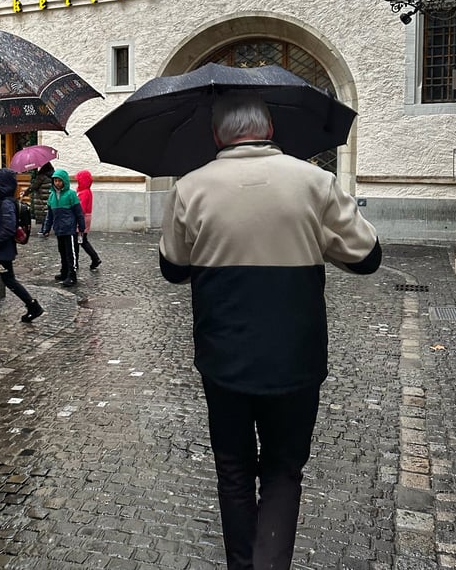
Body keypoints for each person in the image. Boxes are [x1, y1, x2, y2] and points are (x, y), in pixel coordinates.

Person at [159, 92, 382, 570]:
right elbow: (368, 258)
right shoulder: (315, 181)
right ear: (270, 130)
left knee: (233, 467)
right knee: (283, 469)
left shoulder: (190, 188)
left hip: (223, 357)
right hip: (296, 356)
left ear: (217, 135)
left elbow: (173, 269)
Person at [0, 167, 43, 323]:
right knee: (1, 277)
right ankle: (31, 306)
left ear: (1, 184)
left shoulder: (6, 203)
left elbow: (9, 227)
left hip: (0, 250)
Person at [42, 168, 85, 287]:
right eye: (55, 181)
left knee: (71, 253)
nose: (57, 183)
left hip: (70, 229)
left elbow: (79, 213)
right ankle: (64, 271)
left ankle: (72, 275)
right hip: (58, 229)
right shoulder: (51, 196)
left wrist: (81, 227)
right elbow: (49, 215)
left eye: (59, 181)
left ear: (64, 181)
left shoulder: (71, 194)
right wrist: (46, 228)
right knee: (62, 251)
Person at [74, 169, 101, 270]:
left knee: (80, 241)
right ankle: (94, 258)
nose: (78, 182)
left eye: (79, 180)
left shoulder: (84, 192)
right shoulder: (85, 191)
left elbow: (81, 208)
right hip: (84, 219)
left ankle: (93, 259)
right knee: (81, 241)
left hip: (81, 220)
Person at [20, 161, 54, 234]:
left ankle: (43, 230)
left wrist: (25, 193)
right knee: (47, 212)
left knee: (43, 214)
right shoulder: (53, 176)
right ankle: (46, 228)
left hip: (41, 198)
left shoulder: (41, 176)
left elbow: (33, 187)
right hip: (49, 197)